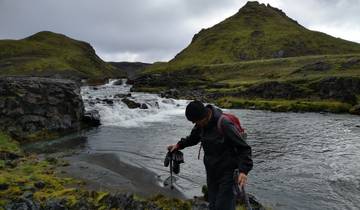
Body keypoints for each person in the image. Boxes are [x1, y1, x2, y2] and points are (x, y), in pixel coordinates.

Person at [167, 100, 253, 210]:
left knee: (224, 206)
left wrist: (243, 171)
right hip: (211, 171)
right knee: (213, 205)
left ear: (204, 116)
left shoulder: (224, 124)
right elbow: (193, 138)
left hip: (228, 173)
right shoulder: (201, 124)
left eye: (196, 121)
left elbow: (244, 148)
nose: (195, 124)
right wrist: (179, 145)